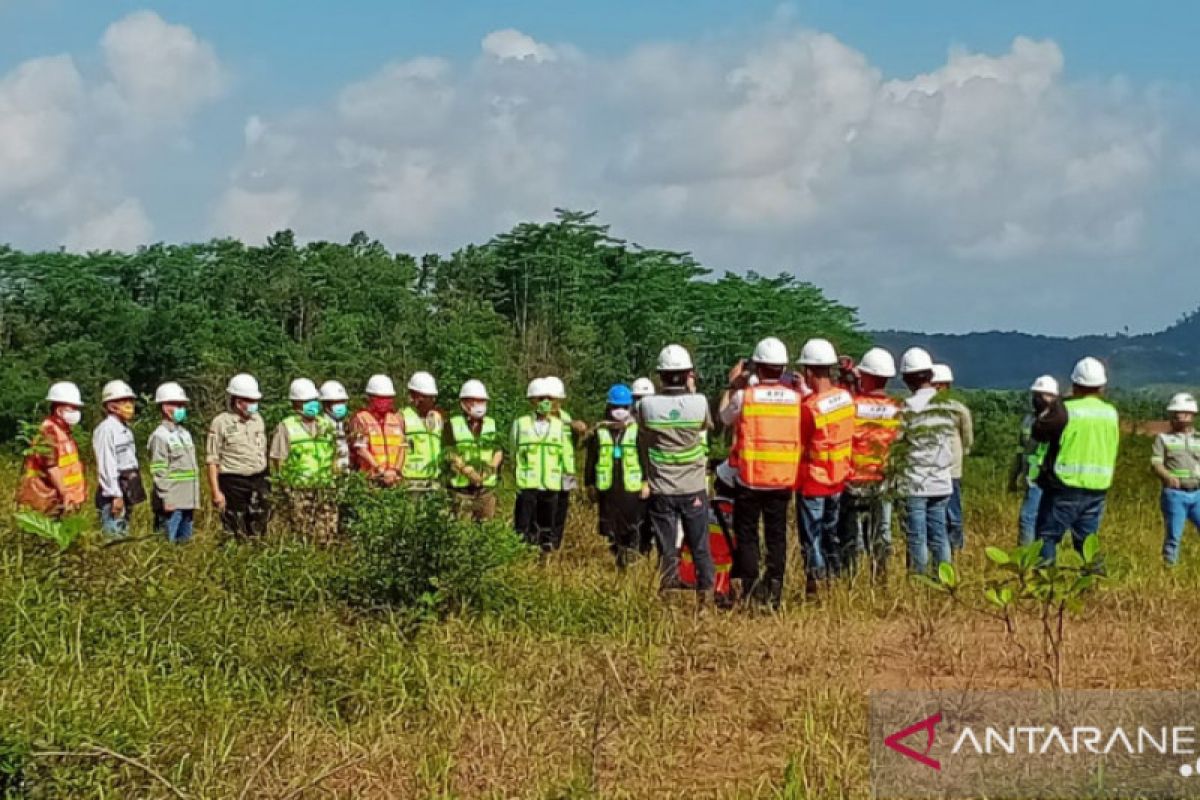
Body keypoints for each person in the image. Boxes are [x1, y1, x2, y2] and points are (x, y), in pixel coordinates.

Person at [719, 336, 801, 608]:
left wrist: (733, 385)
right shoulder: (795, 398)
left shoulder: (745, 397)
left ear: (756, 366)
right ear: (783, 368)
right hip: (782, 480)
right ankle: (775, 592)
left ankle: (752, 590)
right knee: (777, 537)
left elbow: (723, 418)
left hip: (750, 480)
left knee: (749, 536)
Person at [637, 344, 716, 600]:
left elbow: (643, 432)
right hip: (693, 487)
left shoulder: (647, 405)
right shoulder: (699, 402)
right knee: (699, 545)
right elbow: (707, 425)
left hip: (662, 487)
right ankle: (705, 596)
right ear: (688, 374)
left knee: (667, 547)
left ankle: (669, 593)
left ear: (660, 375)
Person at [1031, 357, 1119, 563]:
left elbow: (1039, 431)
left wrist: (1053, 404)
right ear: (1102, 387)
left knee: (1047, 538)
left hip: (1065, 484)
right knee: (1087, 544)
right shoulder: (1110, 413)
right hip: (1098, 487)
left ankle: (1045, 586)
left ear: (1075, 384)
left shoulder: (1066, 410)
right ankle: (1093, 583)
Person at [795, 338, 856, 593]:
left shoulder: (809, 408)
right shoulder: (844, 398)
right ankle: (835, 580)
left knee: (813, 538)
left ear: (809, 371)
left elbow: (802, 439)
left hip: (814, 481)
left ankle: (816, 585)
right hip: (838, 479)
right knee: (831, 534)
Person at [842, 347, 902, 581]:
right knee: (882, 530)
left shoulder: (852, 407)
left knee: (855, 533)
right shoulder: (897, 408)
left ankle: (853, 579)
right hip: (884, 480)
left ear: (865, 376)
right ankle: (881, 577)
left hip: (855, 479)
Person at [896, 348, 954, 575]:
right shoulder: (947, 406)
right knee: (940, 538)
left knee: (917, 538)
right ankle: (946, 581)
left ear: (907, 379)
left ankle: (919, 584)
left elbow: (898, 443)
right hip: (941, 481)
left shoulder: (908, 407)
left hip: (915, 483)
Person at [584, 384, 649, 568]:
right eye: (615, 407)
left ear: (630, 408)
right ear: (608, 407)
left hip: (631, 488)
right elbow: (591, 460)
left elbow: (644, 458)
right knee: (610, 528)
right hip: (608, 488)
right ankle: (617, 559)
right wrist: (589, 484)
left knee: (632, 527)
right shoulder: (599, 431)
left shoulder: (637, 431)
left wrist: (646, 482)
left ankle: (630, 558)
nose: (619, 411)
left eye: (623, 407)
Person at [270, 378, 338, 542]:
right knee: (303, 534)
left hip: (324, 488)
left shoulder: (325, 425)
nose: (313, 404)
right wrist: (286, 489)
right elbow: (279, 460)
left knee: (328, 534)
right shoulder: (286, 426)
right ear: (296, 404)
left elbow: (334, 455)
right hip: (299, 490)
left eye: (314, 400)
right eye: (307, 401)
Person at [207, 373, 270, 539]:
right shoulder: (221, 422)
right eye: (250, 401)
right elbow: (212, 460)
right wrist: (216, 492)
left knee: (259, 524)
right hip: (233, 481)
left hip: (258, 479)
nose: (254, 405)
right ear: (238, 401)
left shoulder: (258, 420)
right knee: (234, 525)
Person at [512, 378, 567, 551]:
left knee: (546, 530)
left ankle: (544, 563)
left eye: (549, 399)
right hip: (528, 485)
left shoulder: (559, 426)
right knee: (523, 528)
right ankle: (523, 560)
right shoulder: (520, 424)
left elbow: (564, 455)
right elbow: (514, 451)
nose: (545, 402)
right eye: (541, 398)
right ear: (532, 401)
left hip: (550, 485)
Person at [18, 381, 87, 517]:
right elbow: (51, 467)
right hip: (46, 499)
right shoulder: (49, 431)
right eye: (72, 408)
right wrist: (66, 493)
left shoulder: (63, 431)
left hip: (59, 499)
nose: (76, 412)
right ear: (59, 410)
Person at [1009, 375, 1059, 545]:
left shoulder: (1057, 420)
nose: (1038, 399)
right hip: (1030, 475)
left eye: (1043, 395)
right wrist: (1013, 476)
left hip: (1046, 475)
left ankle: (1027, 558)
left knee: (1028, 518)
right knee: (1034, 518)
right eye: (1036, 395)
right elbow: (1020, 450)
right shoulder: (1029, 420)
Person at [147, 382, 200, 543]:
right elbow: (159, 470)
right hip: (171, 504)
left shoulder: (184, 434)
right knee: (164, 544)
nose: (181, 409)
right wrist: (166, 498)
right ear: (165, 407)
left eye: (182, 405)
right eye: (177, 405)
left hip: (187, 501)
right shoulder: (160, 436)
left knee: (184, 545)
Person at [92, 380, 145, 537]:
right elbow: (106, 464)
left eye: (130, 401)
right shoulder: (106, 430)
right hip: (113, 494)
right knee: (114, 536)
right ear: (110, 406)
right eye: (123, 401)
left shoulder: (125, 429)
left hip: (127, 488)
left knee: (124, 533)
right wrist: (115, 494)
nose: (129, 405)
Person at [445, 380, 504, 522]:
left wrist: (490, 468)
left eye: (482, 401)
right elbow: (450, 452)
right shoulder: (452, 424)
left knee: (486, 530)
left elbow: (498, 450)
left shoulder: (492, 424)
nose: (478, 405)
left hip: (486, 490)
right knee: (462, 530)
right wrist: (468, 471)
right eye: (474, 401)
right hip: (462, 491)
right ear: (463, 403)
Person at [931, 363, 974, 553]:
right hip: (936, 469)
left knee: (952, 510)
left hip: (951, 469)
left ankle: (956, 546)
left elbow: (967, 438)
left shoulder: (958, 410)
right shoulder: (927, 409)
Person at [1154, 393, 1200, 566]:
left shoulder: (1198, 439)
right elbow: (1156, 463)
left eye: (1182, 412)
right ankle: (1169, 569)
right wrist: (1167, 476)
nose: (1178, 416)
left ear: (1191, 415)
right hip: (1175, 494)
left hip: (1197, 493)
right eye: (1176, 413)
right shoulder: (1163, 439)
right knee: (1174, 536)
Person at [545, 376, 586, 547]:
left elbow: (573, 446)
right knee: (548, 512)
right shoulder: (541, 420)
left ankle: (555, 546)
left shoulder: (567, 417)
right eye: (552, 399)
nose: (555, 404)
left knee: (561, 512)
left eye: (558, 400)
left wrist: (579, 432)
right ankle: (544, 547)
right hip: (548, 473)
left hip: (566, 472)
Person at [348, 374, 406, 486]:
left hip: (394, 478)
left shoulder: (396, 419)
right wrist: (380, 470)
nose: (384, 402)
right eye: (380, 399)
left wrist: (395, 471)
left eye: (388, 398)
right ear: (370, 398)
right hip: (371, 479)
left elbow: (403, 448)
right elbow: (361, 449)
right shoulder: (361, 419)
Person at [401, 371, 444, 491]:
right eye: (428, 396)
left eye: (433, 397)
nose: (432, 400)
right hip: (411, 482)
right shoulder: (402, 417)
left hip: (434, 481)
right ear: (415, 397)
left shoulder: (437, 418)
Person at [319, 380, 351, 472]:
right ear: (325, 404)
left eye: (342, 402)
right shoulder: (321, 426)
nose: (340, 406)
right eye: (335, 402)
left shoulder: (345, 425)